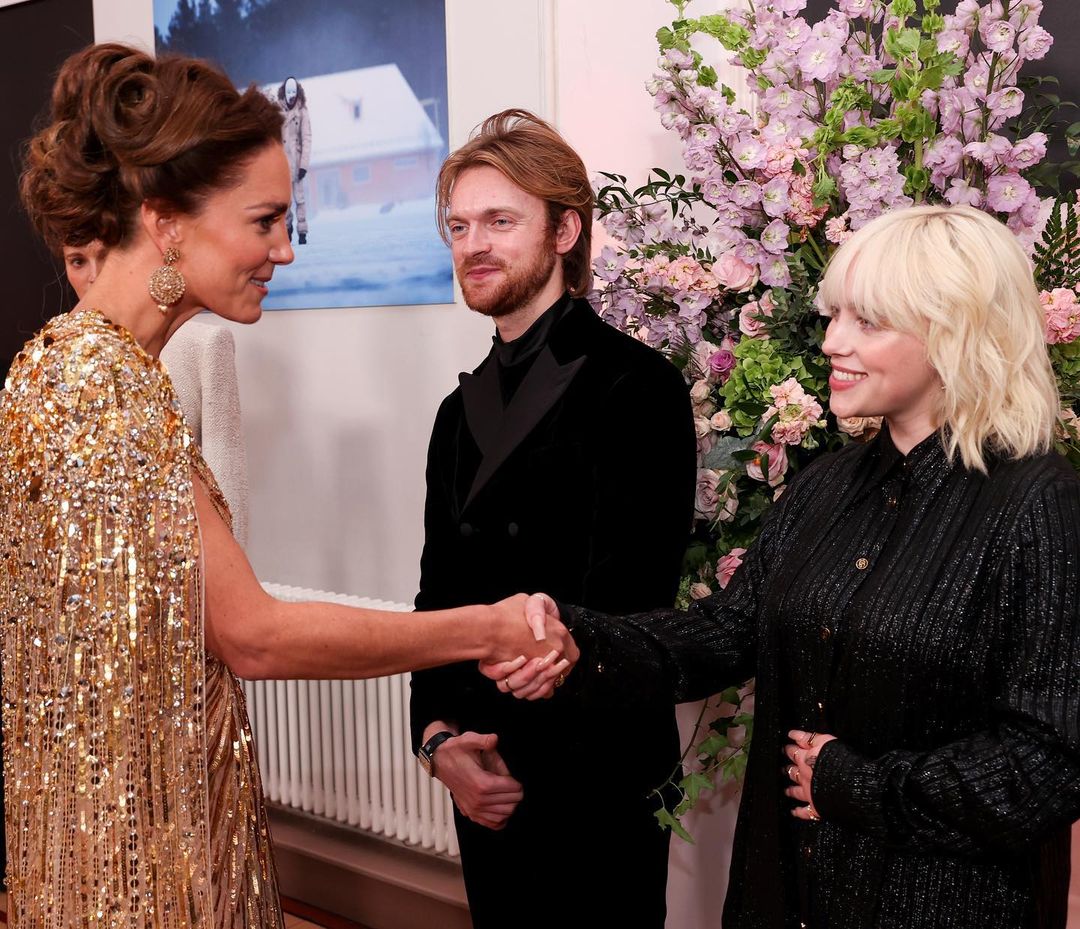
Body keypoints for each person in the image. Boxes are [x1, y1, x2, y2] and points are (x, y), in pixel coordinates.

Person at [5, 43, 571, 928]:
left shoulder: (65, 368)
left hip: (120, 825)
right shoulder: (101, 386)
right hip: (139, 854)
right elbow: (254, 636)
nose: (286, 249)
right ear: (167, 222)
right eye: (265, 219)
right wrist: (490, 627)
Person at [497, 204, 1080, 929]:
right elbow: (724, 632)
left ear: (955, 333)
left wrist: (858, 785)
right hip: (787, 892)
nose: (832, 341)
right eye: (835, 316)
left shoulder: (1037, 503)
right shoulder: (825, 486)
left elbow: (1051, 761)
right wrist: (574, 639)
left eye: (868, 322)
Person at [409, 108, 697, 929]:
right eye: (460, 226)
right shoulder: (454, 416)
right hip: (481, 777)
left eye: (500, 221)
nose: (473, 244)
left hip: (597, 783)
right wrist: (439, 743)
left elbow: (634, 606)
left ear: (565, 231)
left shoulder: (638, 388)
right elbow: (435, 599)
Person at [63, 240, 252, 544]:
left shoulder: (202, 345)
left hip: (181, 555)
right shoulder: (52, 357)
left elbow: (227, 480)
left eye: (106, 258)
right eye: (77, 261)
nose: (95, 276)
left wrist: (234, 565)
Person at [277, 75, 310, 244]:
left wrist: (303, 165)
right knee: (286, 200)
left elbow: (307, 139)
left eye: (293, 93)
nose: (291, 96)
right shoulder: (277, 112)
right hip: (282, 164)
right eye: (288, 92)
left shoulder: (302, 112)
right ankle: (287, 228)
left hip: (297, 164)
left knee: (300, 199)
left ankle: (302, 232)